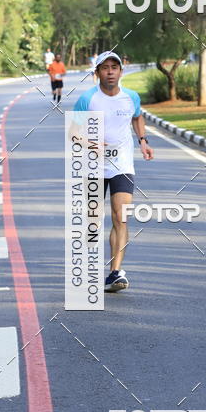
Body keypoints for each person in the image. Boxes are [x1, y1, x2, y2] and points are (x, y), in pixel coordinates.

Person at [73, 51, 153, 292]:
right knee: (93, 221)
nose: (110, 72)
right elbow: (73, 132)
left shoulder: (131, 97)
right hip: (93, 167)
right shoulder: (88, 99)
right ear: (97, 72)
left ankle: (115, 272)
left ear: (121, 71)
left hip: (122, 165)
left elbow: (137, 117)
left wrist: (143, 140)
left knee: (121, 217)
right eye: (105, 68)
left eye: (114, 67)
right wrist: (90, 144)